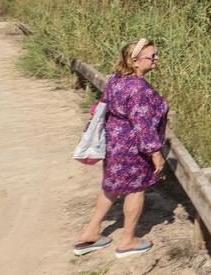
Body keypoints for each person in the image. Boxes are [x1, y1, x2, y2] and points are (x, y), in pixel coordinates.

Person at [72, 38, 169, 258]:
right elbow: (143, 125)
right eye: (151, 56)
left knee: (111, 186)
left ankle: (91, 231)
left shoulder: (116, 80)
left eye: (156, 54)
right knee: (135, 189)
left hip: (114, 142)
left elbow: (104, 104)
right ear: (135, 61)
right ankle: (127, 241)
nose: (156, 59)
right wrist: (155, 153)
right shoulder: (138, 89)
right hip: (133, 148)